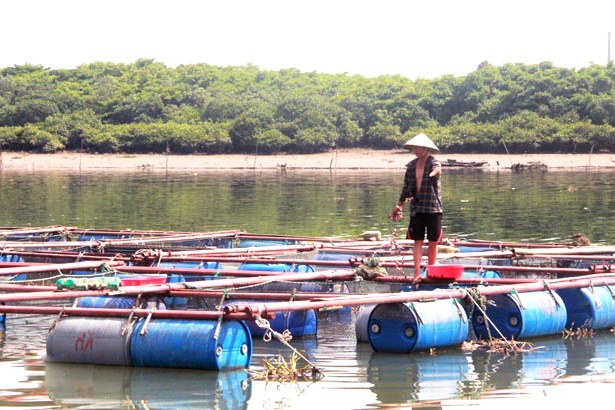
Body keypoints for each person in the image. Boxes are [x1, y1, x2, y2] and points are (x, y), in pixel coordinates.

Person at [389, 133, 442, 279]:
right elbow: (406, 189)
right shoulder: (411, 166)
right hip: (417, 208)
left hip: (432, 207)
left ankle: (431, 271)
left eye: (418, 148)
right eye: (414, 148)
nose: (416, 150)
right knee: (417, 240)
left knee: (433, 241)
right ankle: (417, 272)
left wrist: (433, 174)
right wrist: (398, 206)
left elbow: (438, 170)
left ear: (425, 148)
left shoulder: (433, 162)